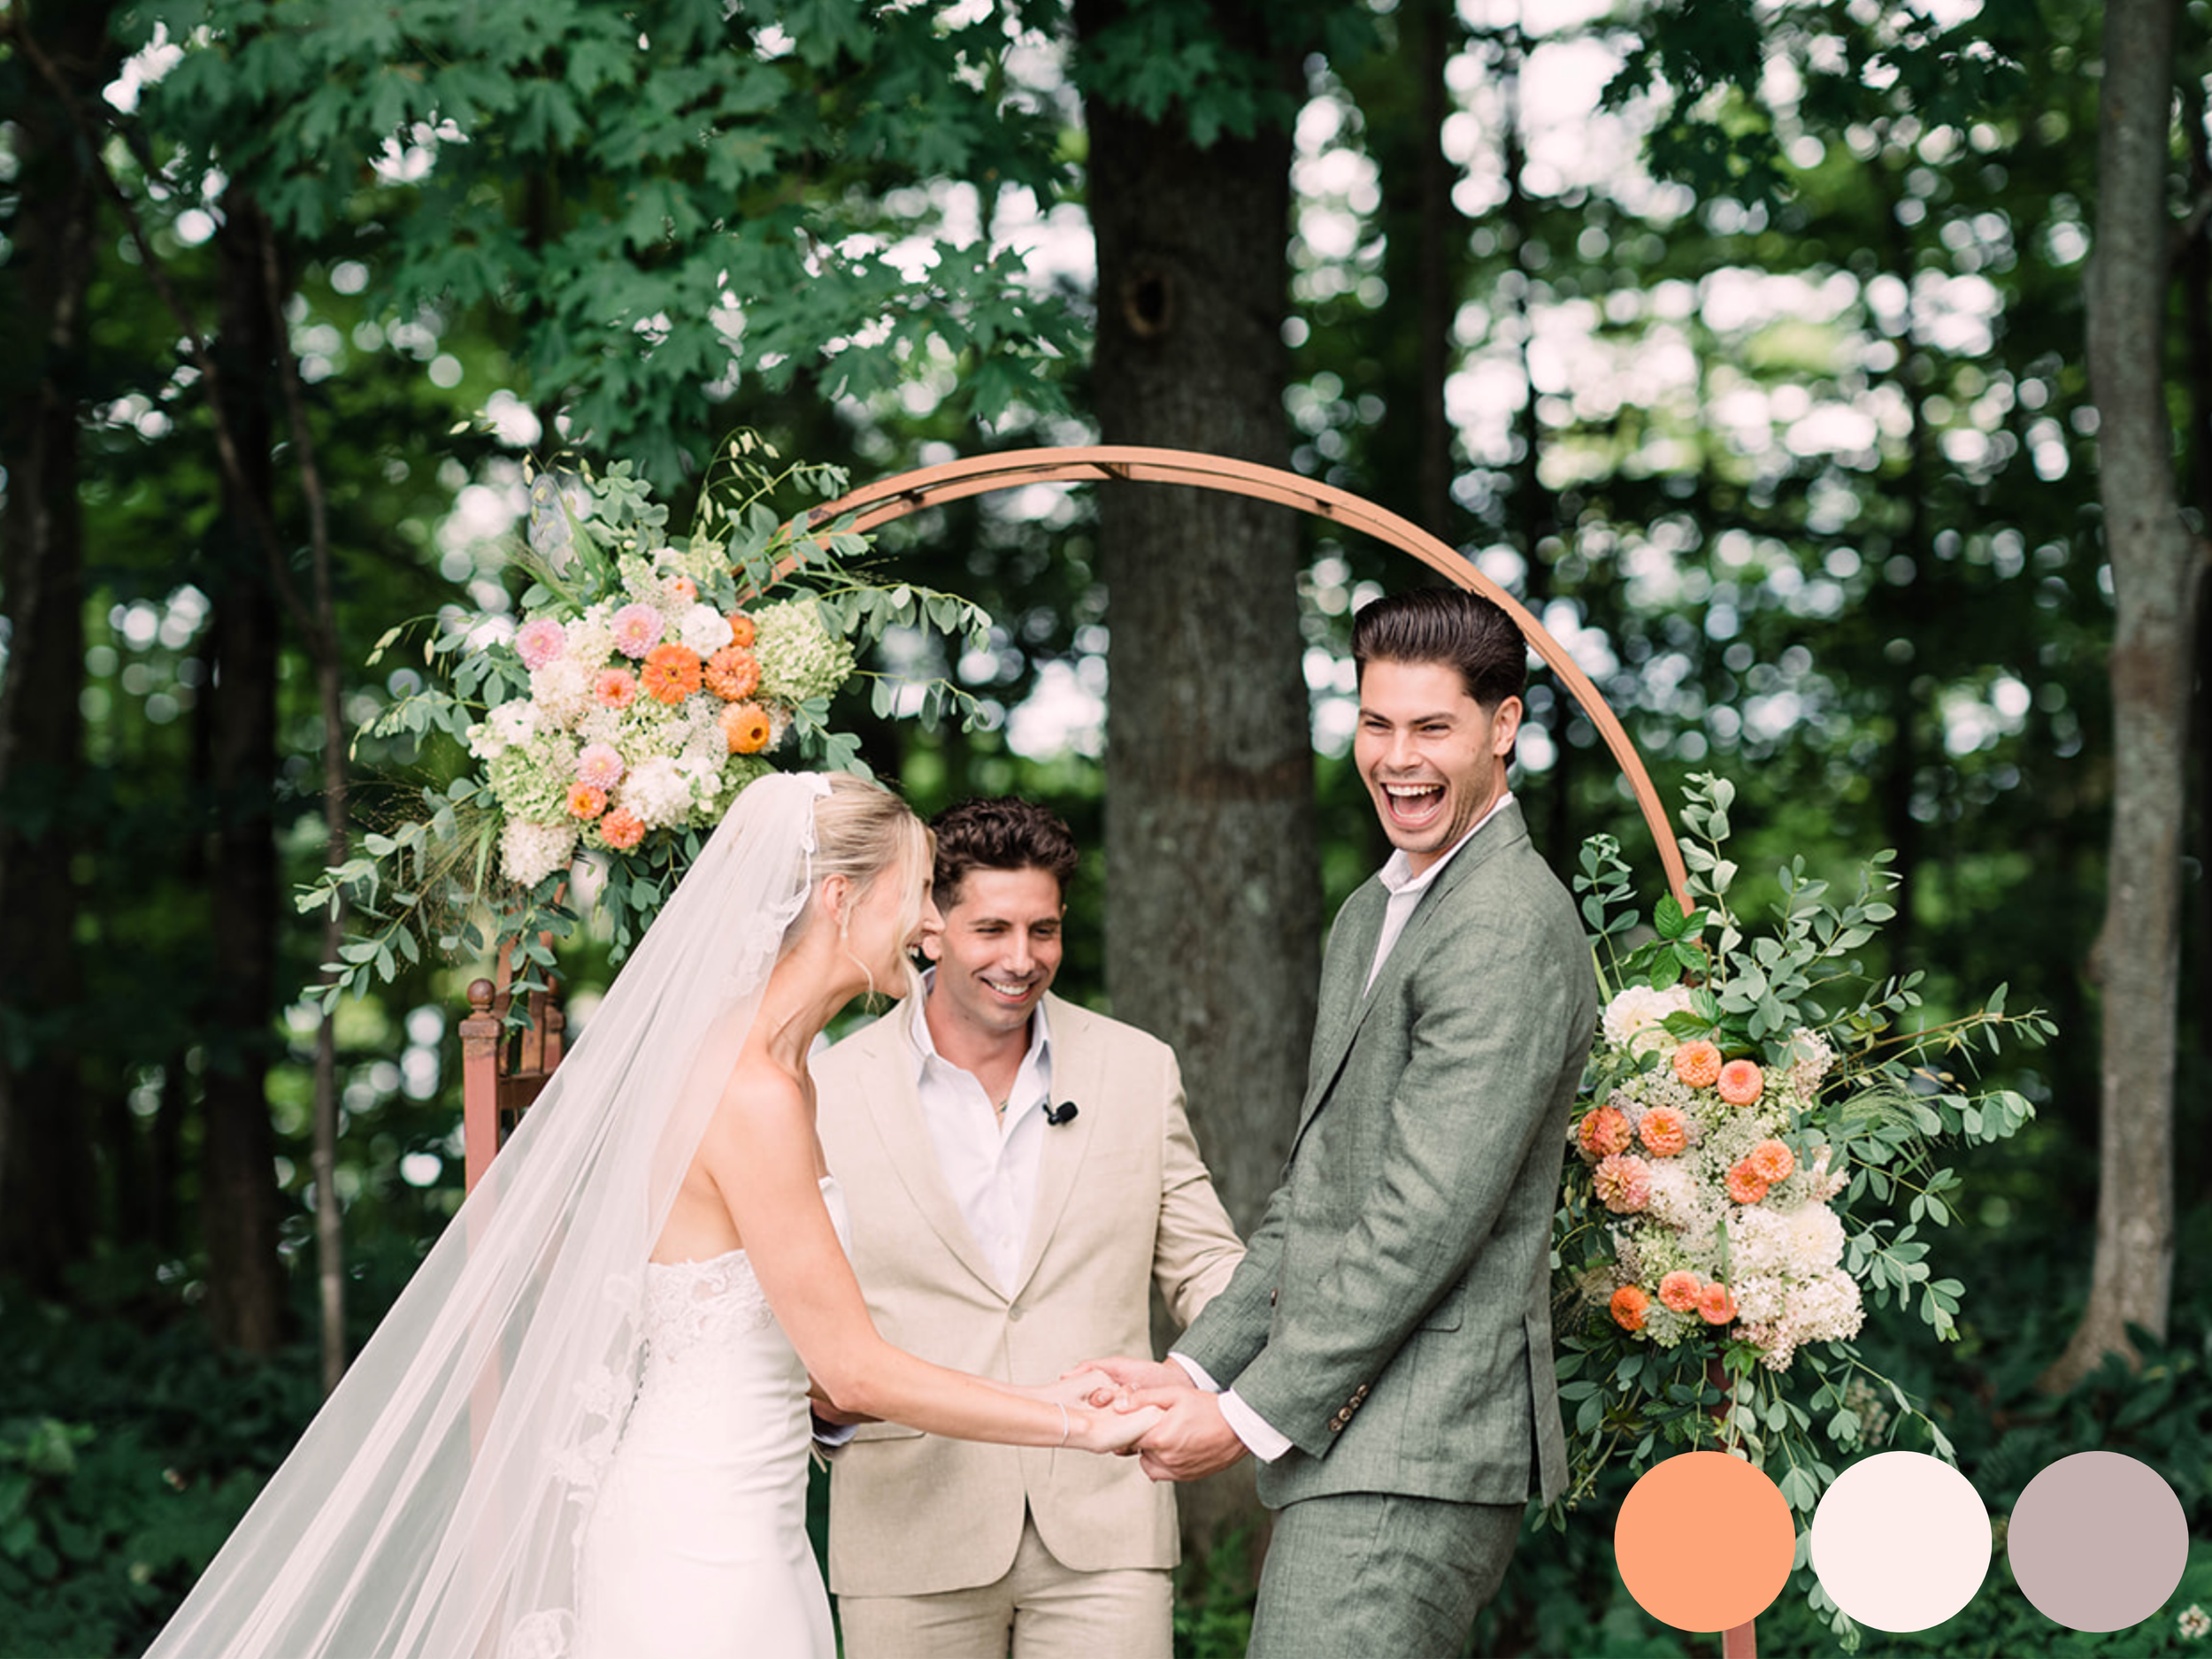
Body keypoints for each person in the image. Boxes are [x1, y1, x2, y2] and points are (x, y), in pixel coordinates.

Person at [142, 772, 1160, 1659]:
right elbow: (852, 1369)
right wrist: (1075, 1421)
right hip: (701, 1544)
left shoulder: (784, 1072)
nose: (933, 930)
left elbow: (808, 1362)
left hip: (759, 1525)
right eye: (917, 899)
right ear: (842, 898)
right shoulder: (747, 1089)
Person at [1088, 587, 1599, 1659]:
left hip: (1421, 1439)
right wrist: (1196, 1367)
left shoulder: (1505, 923)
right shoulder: (1373, 909)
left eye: (1432, 727)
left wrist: (1241, 1414)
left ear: (1502, 728)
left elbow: (1422, 1219)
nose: (1396, 757)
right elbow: (1319, 1193)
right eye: (1376, 722)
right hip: (1355, 1439)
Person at [810, 796, 1244, 1659]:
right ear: (929, 925)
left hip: (1106, 1526)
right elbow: (792, 1311)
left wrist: (1246, 1396)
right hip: (905, 1526)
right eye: (992, 929)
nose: (1020, 959)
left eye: (1041, 931)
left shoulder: (1136, 1068)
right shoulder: (824, 1089)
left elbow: (1206, 1268)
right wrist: (821, 1406)